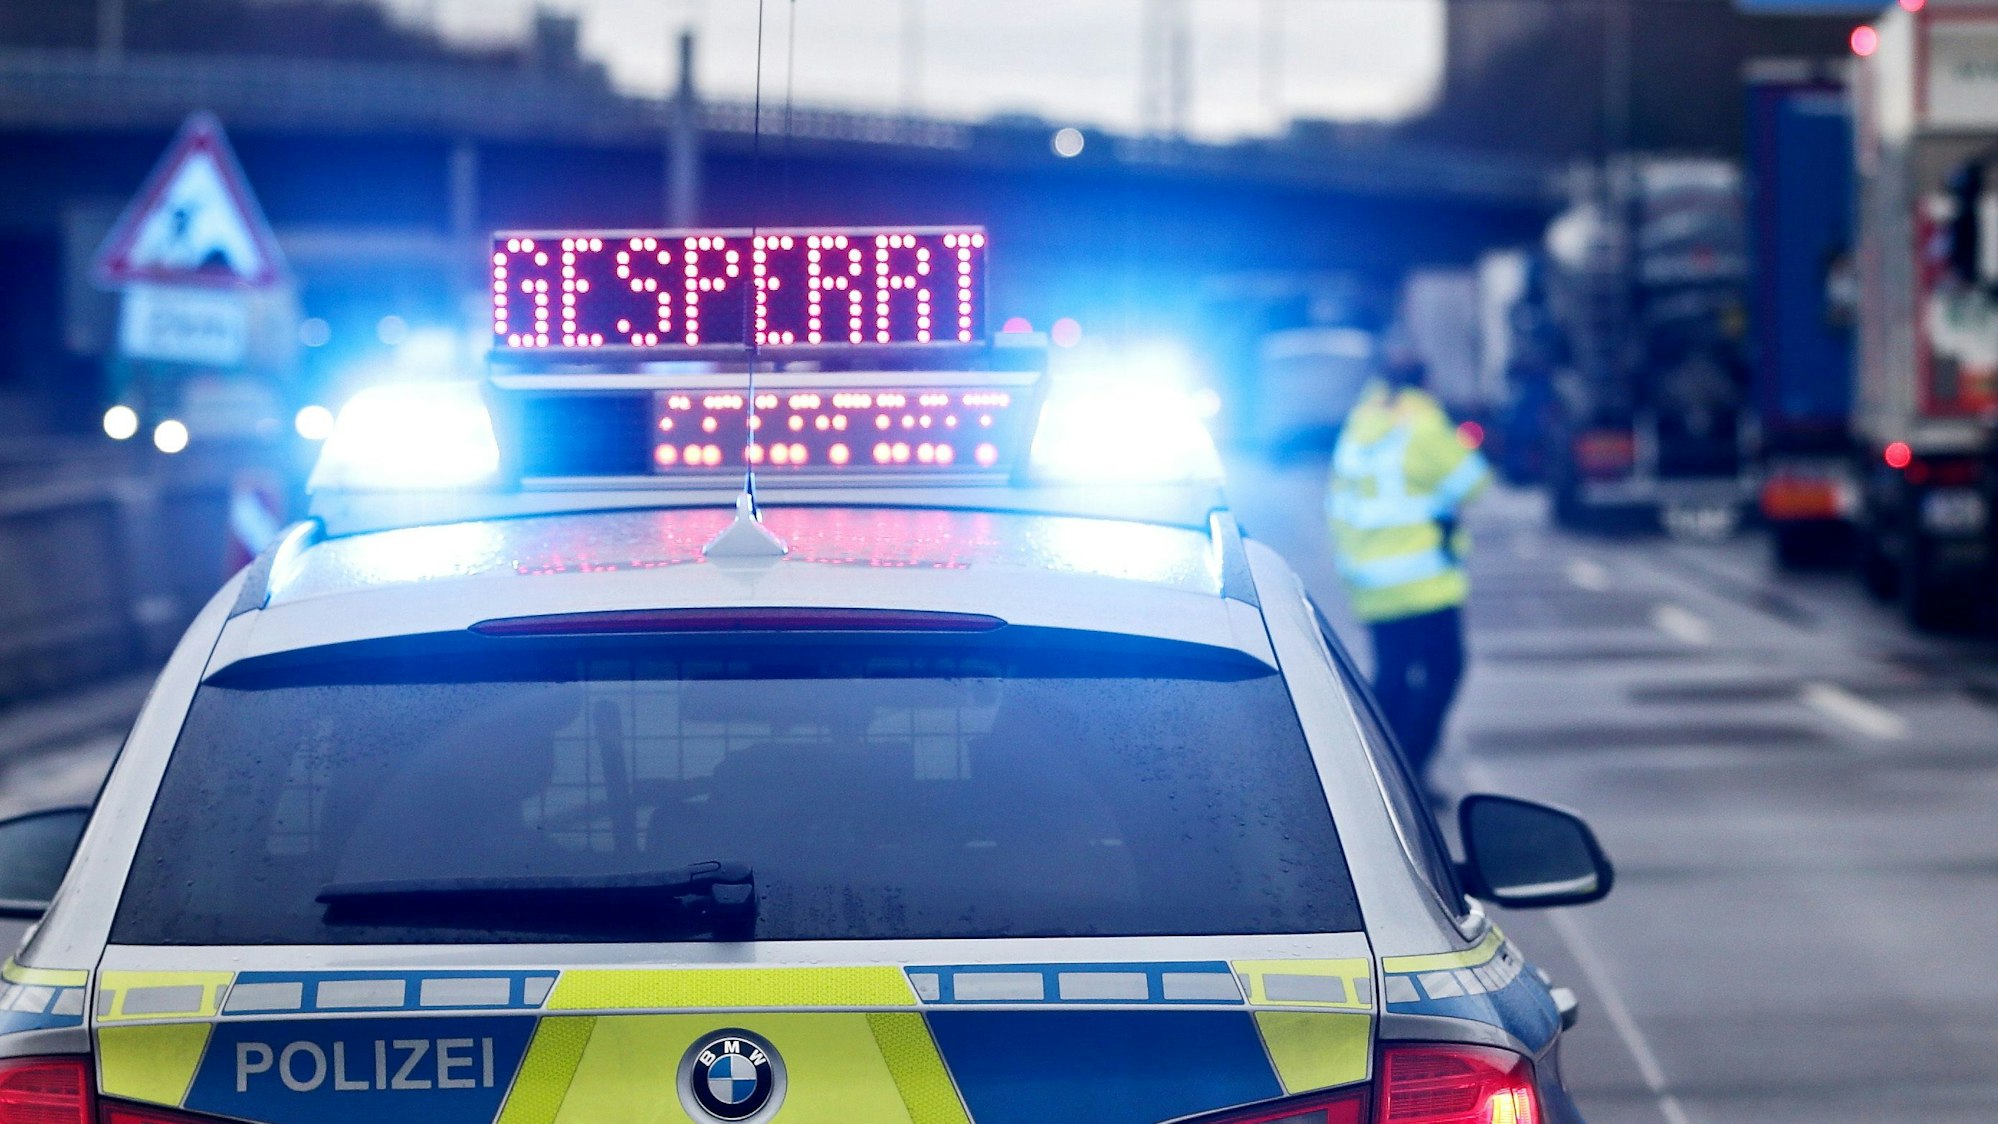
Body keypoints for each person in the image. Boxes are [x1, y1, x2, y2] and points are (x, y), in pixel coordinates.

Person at [1327, 342, 1491, 786]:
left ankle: (1377, 771)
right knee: (1444, 672)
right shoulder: (1422, 422)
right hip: (1423, 581)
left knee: (1393, 680)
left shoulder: (1362, 421)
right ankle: (1408, 774)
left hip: (1370, 578)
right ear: (1425, 381)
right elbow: (1473, 482)